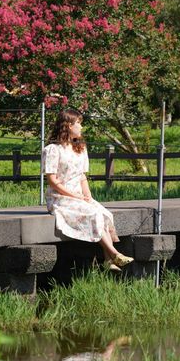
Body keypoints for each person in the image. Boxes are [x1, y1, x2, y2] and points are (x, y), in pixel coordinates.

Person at [43, 108, 133, 272]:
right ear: (68, 125)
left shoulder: (80, 148)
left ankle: (108, 260)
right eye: (78, 123)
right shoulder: (52, 150)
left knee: (104, 213)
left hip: (78, 196)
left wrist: (88, 197)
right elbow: (53, 181)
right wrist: (74, 196)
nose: (81, 127)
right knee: (94, 215)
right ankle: (114, 253)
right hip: (60, 198)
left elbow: (82, 177)